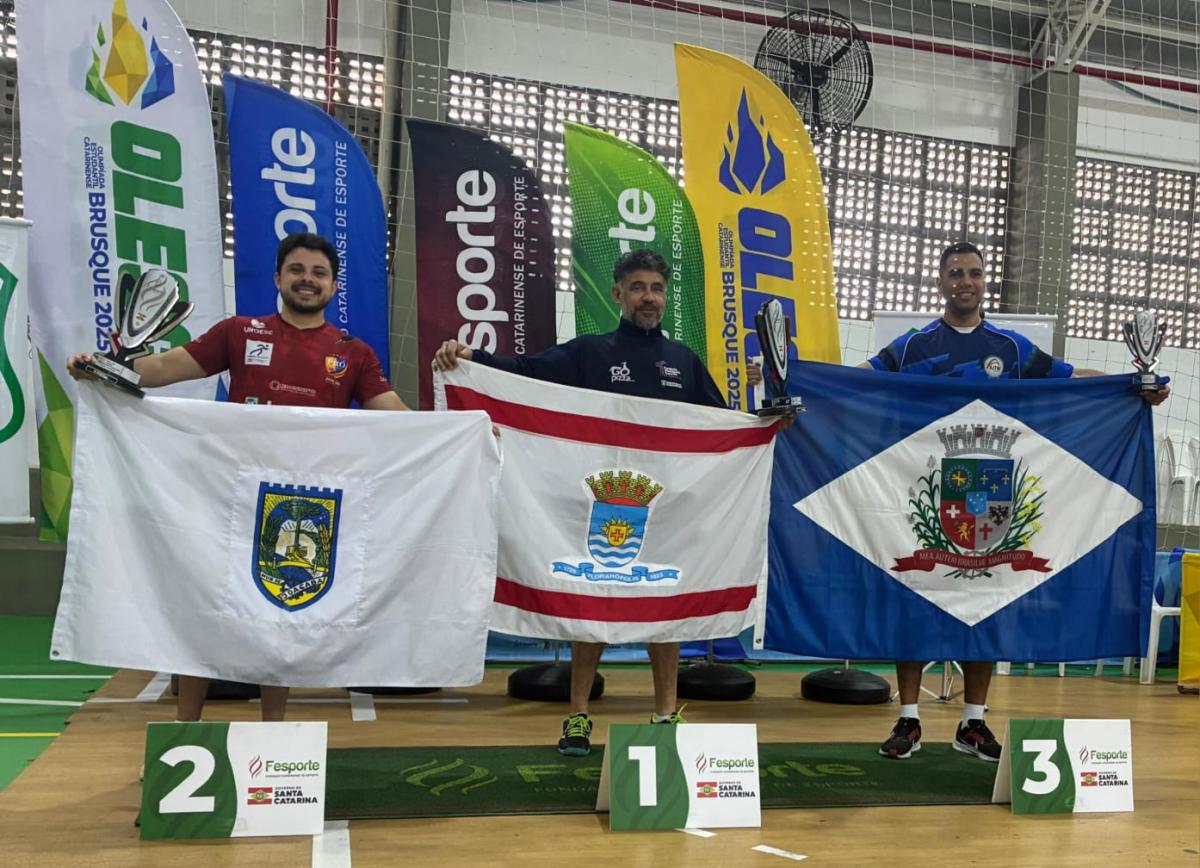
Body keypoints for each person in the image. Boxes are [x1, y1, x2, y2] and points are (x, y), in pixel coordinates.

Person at [68, 231, 409, 724]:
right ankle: (186, 728)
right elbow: (163, 368)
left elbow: (397, 417)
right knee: (206, 607)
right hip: (228, 495)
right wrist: (100, 367)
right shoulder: (239, 332)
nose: (307, 279)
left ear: (334, 286)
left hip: (297, 505)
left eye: (318, 273)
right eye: (297, 270)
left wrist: (464, 433)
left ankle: (273, 734)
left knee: (280, 614)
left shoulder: (353, 353)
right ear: (277, 278)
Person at [863, 240, 1169, 762]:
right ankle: (909, 719)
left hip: (992, 492)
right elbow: (856, 379)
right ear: (941, 282)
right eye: (955, 273)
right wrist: (791, 376)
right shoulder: (913, 346)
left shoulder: (1010, 347)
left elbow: (1072, 379)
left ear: (986, 281)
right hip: (923, 489)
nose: (965, 281)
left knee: (985, 602)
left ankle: (973, 723)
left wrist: (1132, 386)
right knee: (914, 599)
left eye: (974, 273)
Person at [434, 248, 733, 757]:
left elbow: (723, 426)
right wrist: (472, 360)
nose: (648, 297)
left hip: (664, 511)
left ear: (665, 297)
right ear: (618, 294)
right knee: (591, 601)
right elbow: (523, 372)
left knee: (666, 608)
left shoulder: (683, 362)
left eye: (656, 289)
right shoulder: (591, 352)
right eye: (637, 287)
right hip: (599, 505)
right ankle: (578, 716)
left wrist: (766, 422)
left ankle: (665, 715)